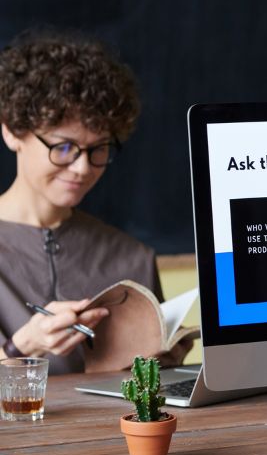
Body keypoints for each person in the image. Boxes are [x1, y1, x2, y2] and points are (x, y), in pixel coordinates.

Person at [0, 28, 166, 376]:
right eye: (63, 147)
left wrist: (164, 362)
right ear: (12, 131)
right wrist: (22, 348)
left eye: (98, 149)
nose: (82, 167)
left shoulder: (132, 258)